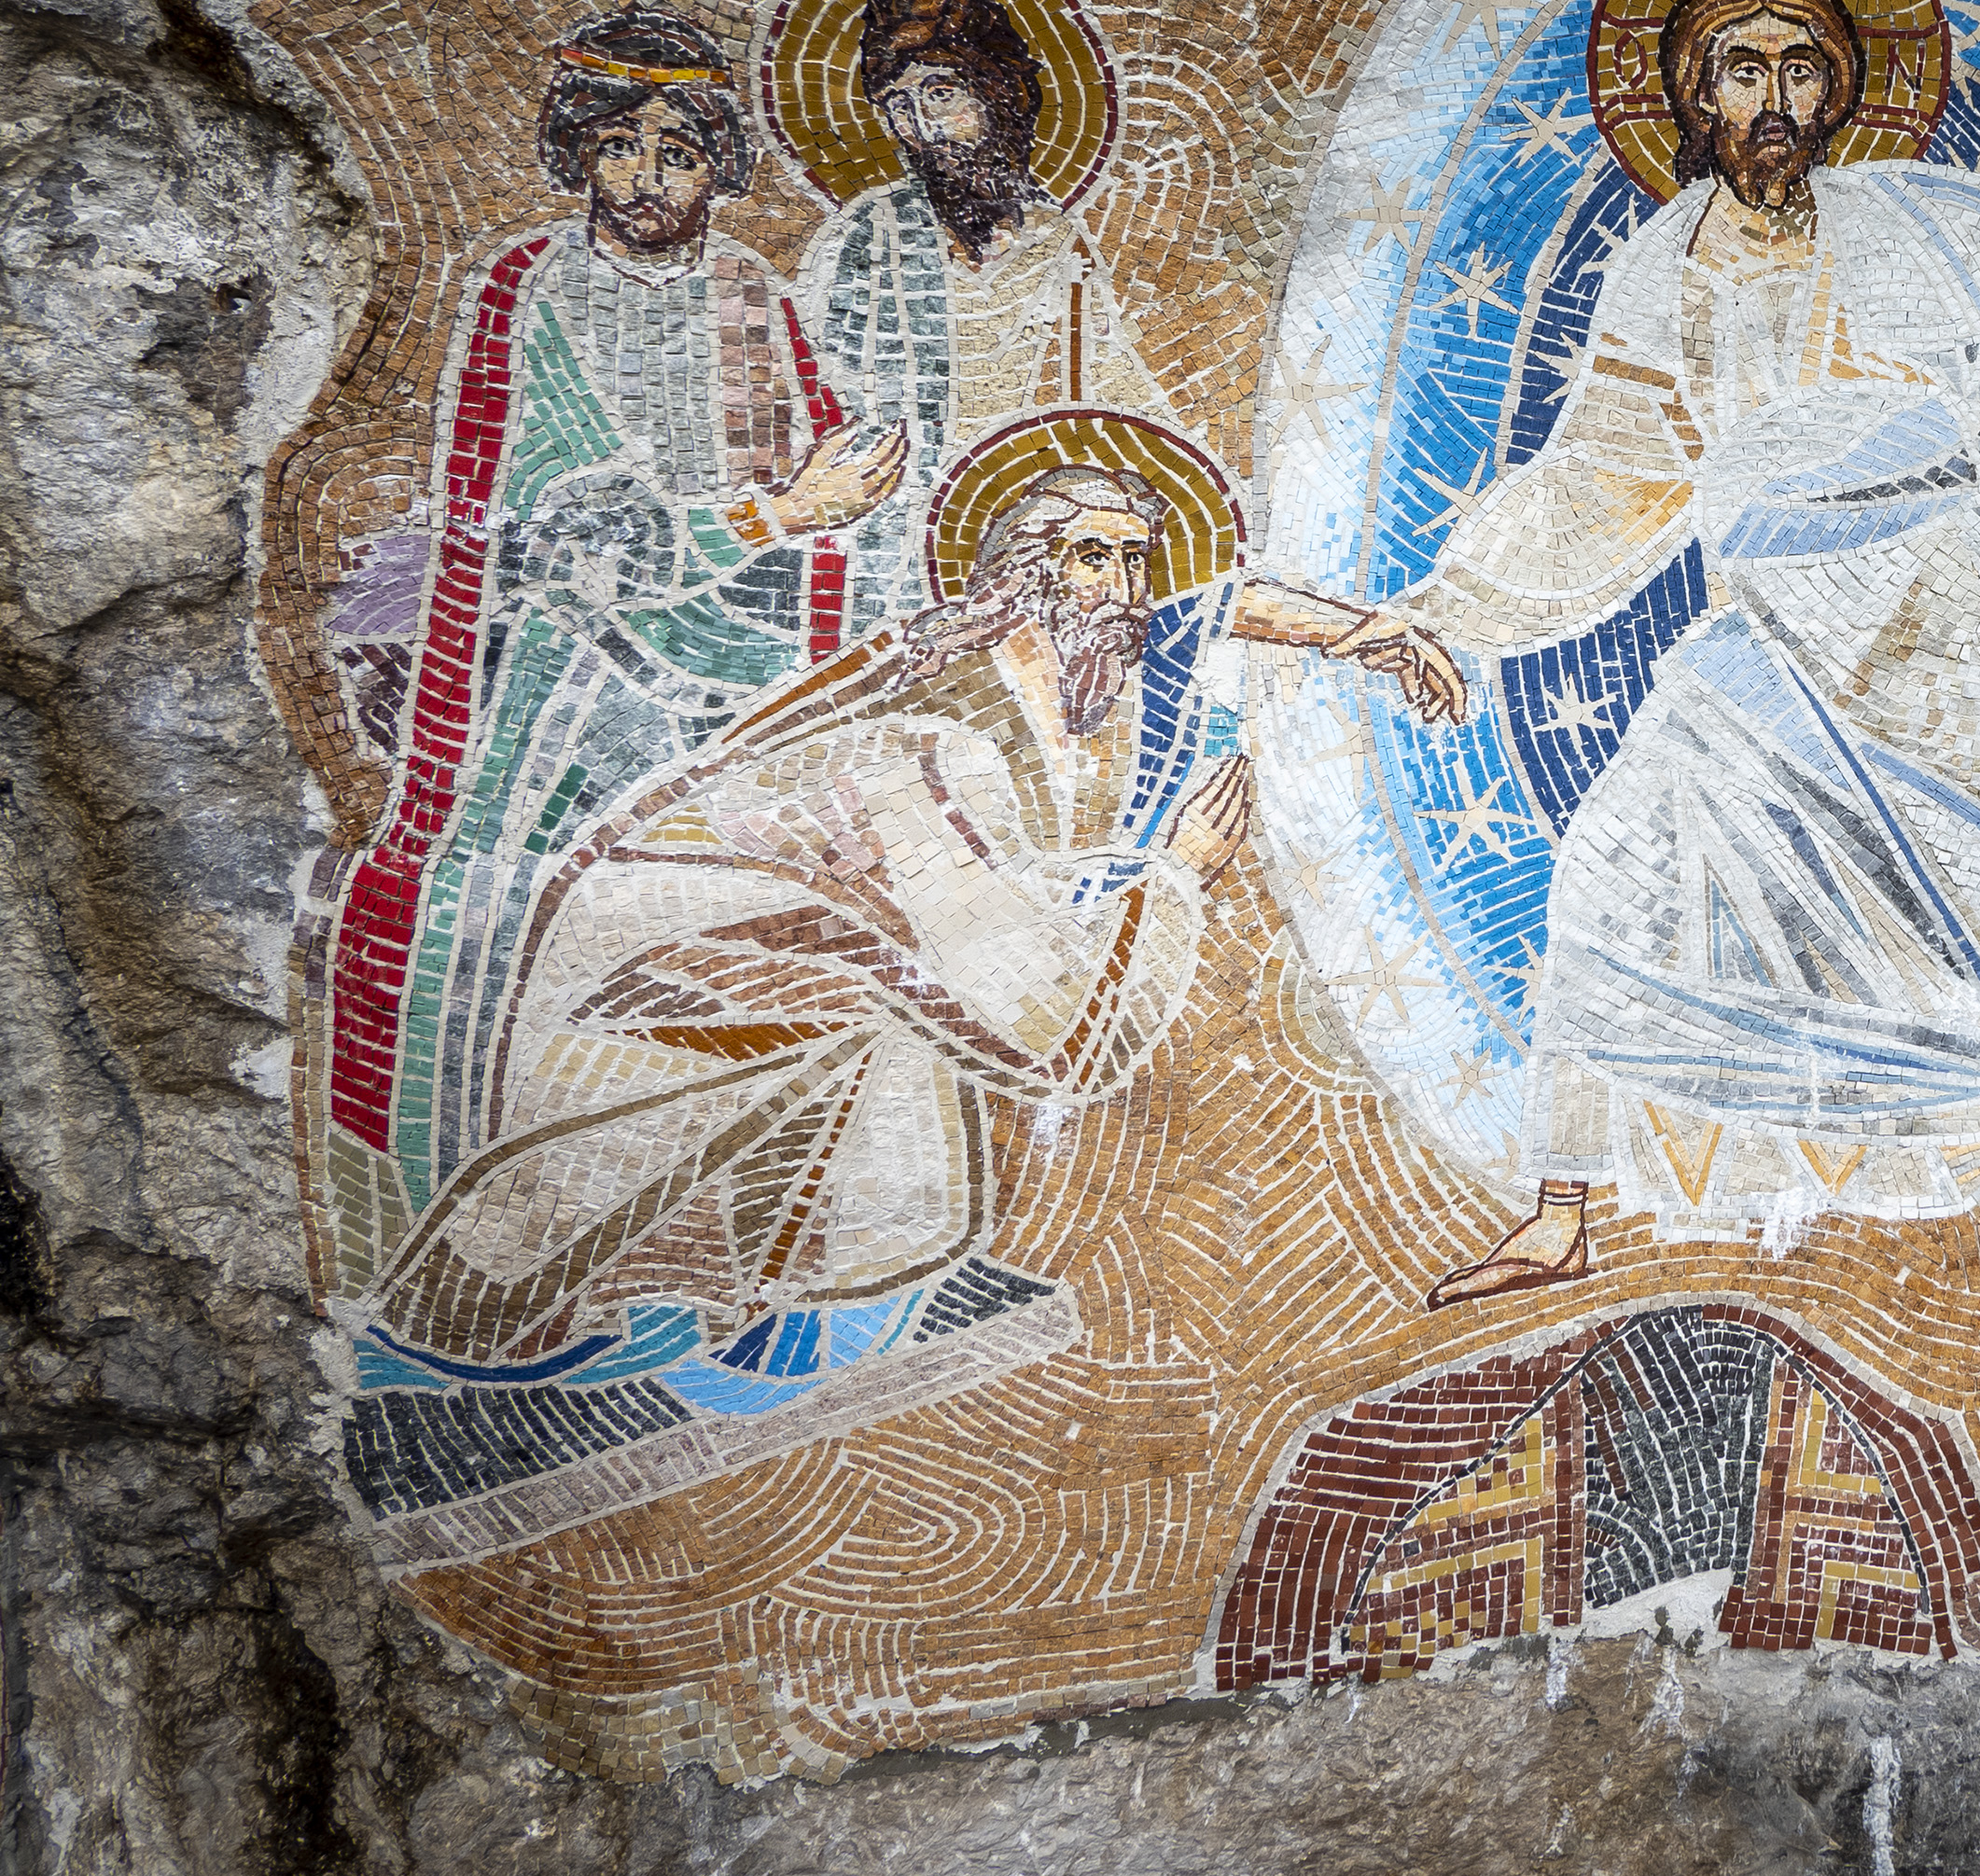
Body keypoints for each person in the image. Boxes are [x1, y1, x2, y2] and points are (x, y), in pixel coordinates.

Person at [1387, 0, 1980, 1305]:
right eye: (1744, 71)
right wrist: (1439, 613)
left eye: (1801, 68)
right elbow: (1604, 473)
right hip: (1770, 617)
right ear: (1696, 97)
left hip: (1944, 624)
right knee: (1619, 849)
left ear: (1840, 93)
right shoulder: (1664, 263)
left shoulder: (1925, 223)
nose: (1775, 97)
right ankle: (1561, 1211)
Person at [373, 464, 1450, 1369]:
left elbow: (1216, 607)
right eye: (1094, 557)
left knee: (893, 999)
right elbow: (1054, 1030)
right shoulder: (944, 724)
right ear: (1028, 573)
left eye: (1136, 557)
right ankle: (489, 1289)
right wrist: (1172, 876)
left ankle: (795, 1302)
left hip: (810, 936)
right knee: (913, 1004)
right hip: (653, 957)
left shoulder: (1081, 661)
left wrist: (1372, 634)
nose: (1124, 586)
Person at [321, 6, 909, 1219]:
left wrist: (846, 511)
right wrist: (786, 515)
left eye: (680, 152)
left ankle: (682, 1231)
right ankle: (472, 1216)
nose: (648, 178)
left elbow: (809, 503)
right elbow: (567, 533)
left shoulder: (752, 293)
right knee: (504, 911)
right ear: (577, 150)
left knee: (739, 938)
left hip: (732, 687)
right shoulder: (530, 293)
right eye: (621, 146)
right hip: (567, 687)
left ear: (718, 166)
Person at [801, 0, 1178, 635]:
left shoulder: (1057, 241)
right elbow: (825, 396)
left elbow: (1113, 391)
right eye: (898, 106)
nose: (922, 128)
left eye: (941, 94)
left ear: (997, 92)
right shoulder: (873, 235)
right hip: (896, 543)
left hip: (1028, 526)